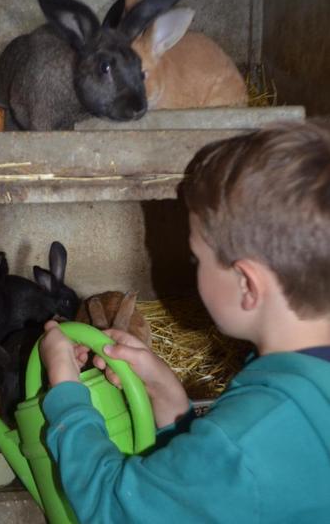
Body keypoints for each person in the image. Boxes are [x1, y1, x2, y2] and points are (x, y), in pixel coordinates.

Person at [40, 118, 330, 524]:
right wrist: (169, 398)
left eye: (198, 259)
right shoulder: (300, 394)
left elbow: (115, 507)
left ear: (247, 283)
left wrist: (65, 390)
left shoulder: (248, 439)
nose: (193, 269)